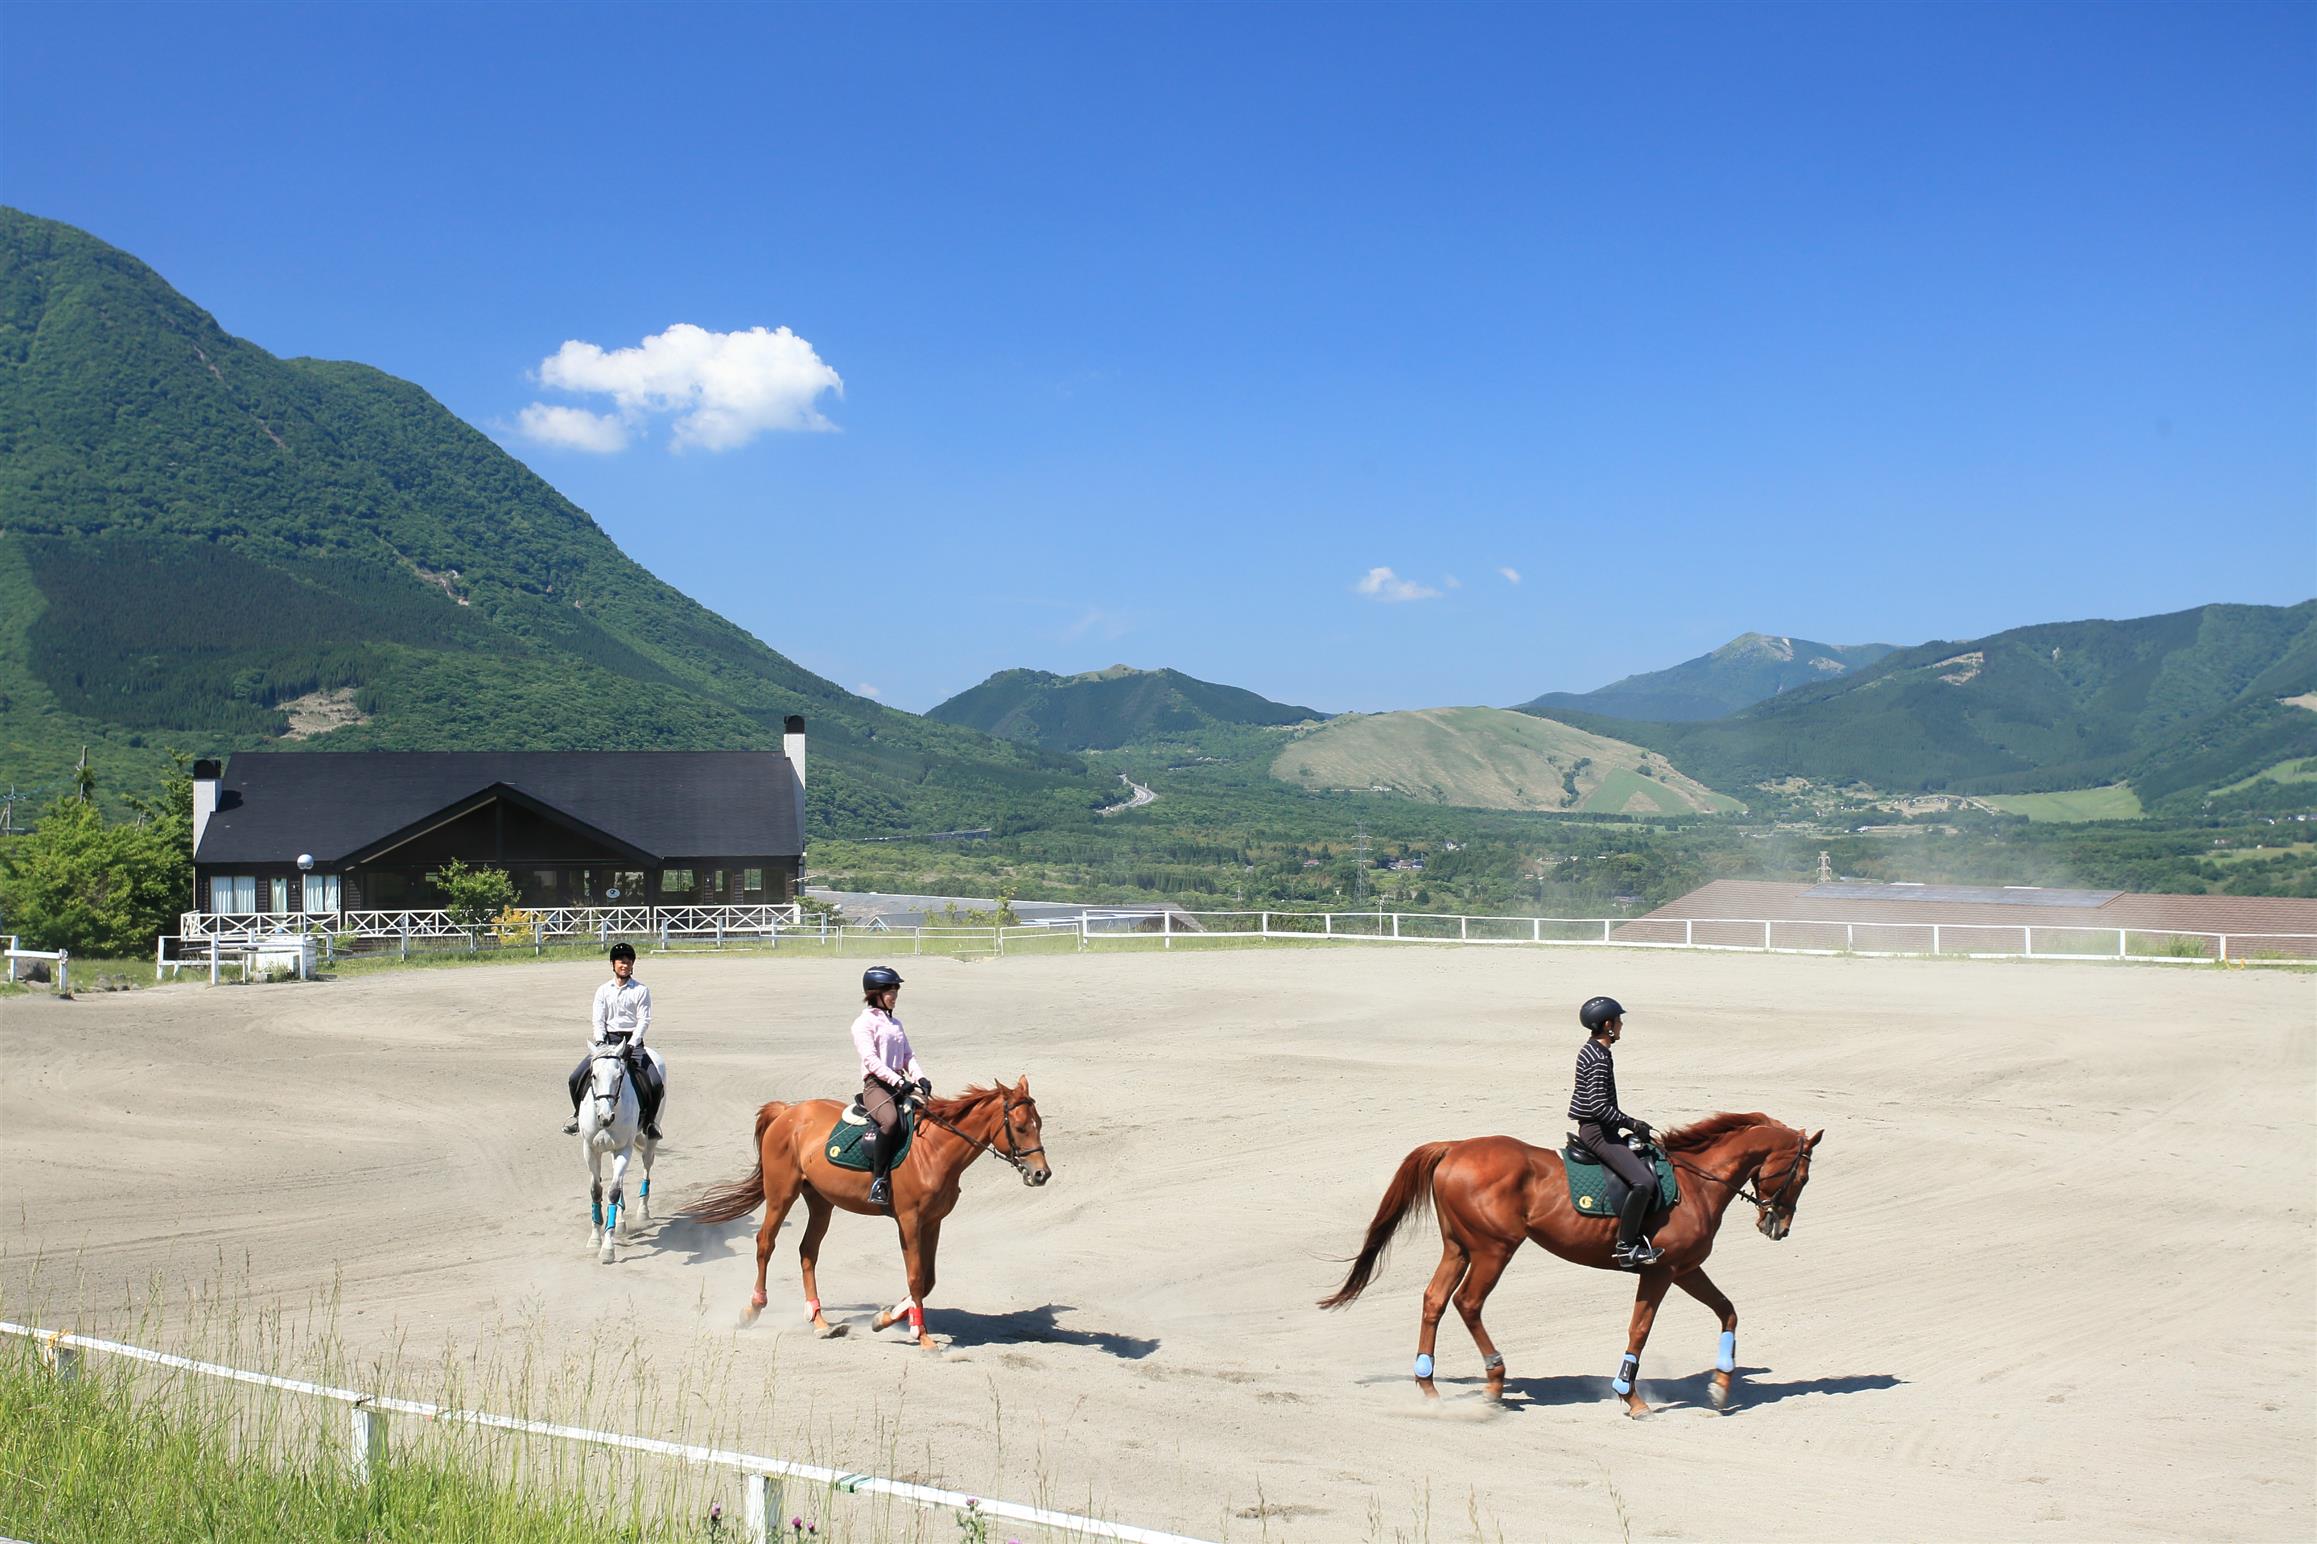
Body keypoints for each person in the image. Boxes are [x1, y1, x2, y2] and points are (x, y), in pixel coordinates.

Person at [1569, 995, 1664, 1268]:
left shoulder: (1591, 1049)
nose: (1621, 1025)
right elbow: (1599, 1106)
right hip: (1599, 1133)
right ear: (1608, 1024)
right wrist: (1632, 1124)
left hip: (1599, 1128)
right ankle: (1626, 1247)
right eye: (1619, 1021)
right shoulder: (1599, 1058)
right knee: (1643, 1182)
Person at [562, 942, 665, 1139]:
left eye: (628, 962)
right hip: (607, 1042)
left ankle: (650, 1124)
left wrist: (633, 1043)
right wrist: (600, 1042)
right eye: (621, 962)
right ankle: (577, 1117)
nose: (624, 965)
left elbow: (644, 1020)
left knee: (655, 1082)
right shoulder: (603, 990)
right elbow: (598, 1020)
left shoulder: (641, 990)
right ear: (613, 964)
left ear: (632, 964)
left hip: (633, 1043)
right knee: (575, 1078)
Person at [851, 965, 930, 1211]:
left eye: (896, 989)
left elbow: (908, 1055)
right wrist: (898, 1082)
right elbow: (871, 1060)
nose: (894, 995)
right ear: (875, 993)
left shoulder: (896, 1023)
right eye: (889, 990)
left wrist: (920, 1077)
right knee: (890, 1121)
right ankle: (879, 1181)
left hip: (899, 1084)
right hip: (877, 1085)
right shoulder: (863, 1023)